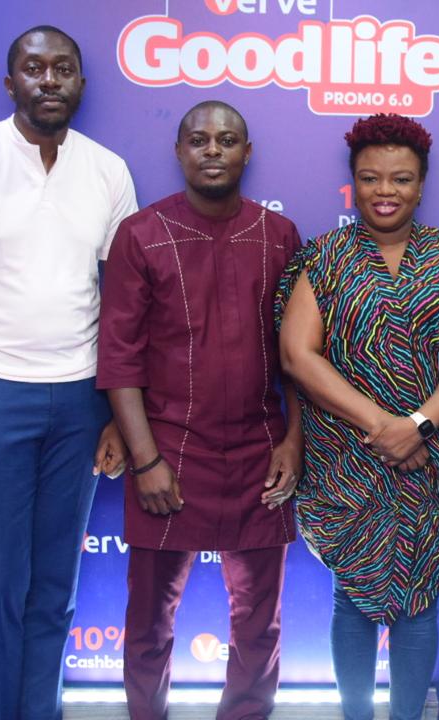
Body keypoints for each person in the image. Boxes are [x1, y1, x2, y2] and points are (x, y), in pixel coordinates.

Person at [0, 26, 135, 720]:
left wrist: (117, 416)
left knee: (54, 588)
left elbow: (123, 306)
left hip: (79, 401)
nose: (49, 80)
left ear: (80, 84)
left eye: (62, 68)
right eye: (34, 69)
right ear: (11, 83)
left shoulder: (108, 170)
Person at [276, 113, 439, 720]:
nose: (385, 191)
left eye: (400, 179)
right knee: (353, 595)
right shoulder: (323, 259)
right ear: (353, 182)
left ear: (421, 185)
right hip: (348, 459)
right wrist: (384, 425)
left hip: (434, 456)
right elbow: (298, 355)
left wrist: (419, 423)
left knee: (419, 601)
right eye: (370, 177)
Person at [96, 101, 301, 720]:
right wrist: (146, 460)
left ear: (247, 153)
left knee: (259, 621)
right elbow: (119, 357)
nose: (213, 150)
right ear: (180, 152)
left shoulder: (279, 236)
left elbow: (301, 356)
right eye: (199, 139)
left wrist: (293, 441)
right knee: (149, 619)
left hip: (260, 452)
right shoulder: (141, 234)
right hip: (168, 452)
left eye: (227, 139)